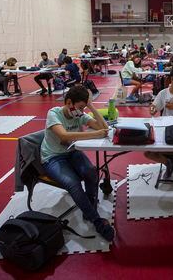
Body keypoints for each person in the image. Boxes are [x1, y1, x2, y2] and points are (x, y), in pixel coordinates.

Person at [40, 86, 114, 241]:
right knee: (73, 183)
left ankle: (89, 204)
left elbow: (104, 128)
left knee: (91, 172)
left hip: (72, 152)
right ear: (68, 102)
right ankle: (96, 220)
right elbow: (64, 136)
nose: (81, 111)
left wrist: (91, 106)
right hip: (53, 157)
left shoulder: (79, 114)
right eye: (80, 107)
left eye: (83, 107)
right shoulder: (54, 113)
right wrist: (95, 133)